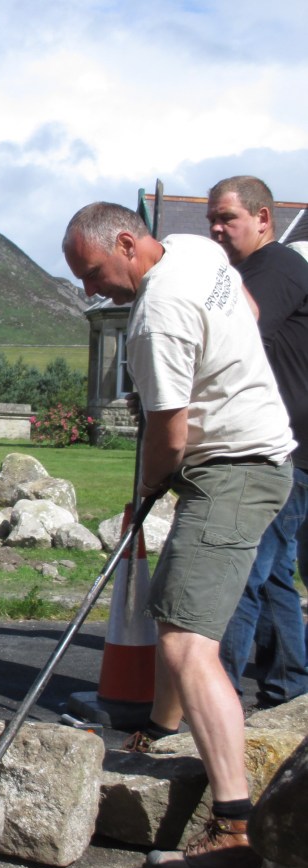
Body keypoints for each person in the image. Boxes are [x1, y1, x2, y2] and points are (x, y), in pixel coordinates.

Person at [62, 202, 294, 868]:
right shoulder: (195, 250)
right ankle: (161, 733)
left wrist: (144, 494)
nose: (90, 290)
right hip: (255, 457)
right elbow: (247, 312)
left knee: (189, 644)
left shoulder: (154, 319)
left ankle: (236, 829)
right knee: (175, 607)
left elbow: (167, 437)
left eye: (95, 272)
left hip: (234, 471)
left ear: (129, 243)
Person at [206, 176, 308, 711]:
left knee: (240, 571)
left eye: (228, 219)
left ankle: (212, 691)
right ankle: (290, 686)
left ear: (263, 218)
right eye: (211, 221)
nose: (216, 230)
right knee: (272, 577)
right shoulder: (247, 272)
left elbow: (238, 335)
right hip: (285, 445)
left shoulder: (278, 267)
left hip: (281, 448)